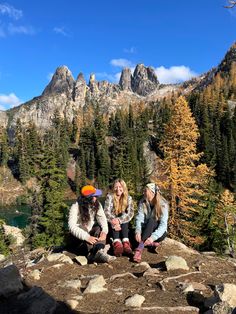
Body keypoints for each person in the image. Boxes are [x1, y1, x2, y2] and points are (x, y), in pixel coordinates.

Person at [68, 185, 116, 263]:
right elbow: (71, 227)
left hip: (90, 235)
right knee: (82, 227)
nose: (96, 198)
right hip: (79, 239)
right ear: (87, 199)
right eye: (94, 196)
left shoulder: (97, 204)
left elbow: (102, 219)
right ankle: (93, 254)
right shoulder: (75, 206)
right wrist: (86, 237)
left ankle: (99, 251)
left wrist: (104, 231)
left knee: (99, 228)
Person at [133, 183, 168, 263]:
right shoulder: (143, 202)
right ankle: (150, 244)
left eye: (145, 191)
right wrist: (138, 231)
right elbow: (139, 218)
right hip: (146, 231)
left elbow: (163, 225)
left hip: (158, 234)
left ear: (152, 192)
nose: (143, 193)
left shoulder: (163, 204)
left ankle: (140, 248)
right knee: (132, 233)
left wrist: (153, 237)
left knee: (152, 220)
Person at [104, 179, 134, 256]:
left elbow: (130, 213)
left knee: (124, 217)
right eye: (116, 187)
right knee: (115, 219)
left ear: (123, 187)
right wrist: (114, 221)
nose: (118, 189)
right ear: (113, 188)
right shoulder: (109, 197)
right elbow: (106, 212)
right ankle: (117, 244)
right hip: (112, 224)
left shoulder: (128, 198)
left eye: (120, 187)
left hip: (123, 224)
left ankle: (126, 243)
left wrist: (119, 220)